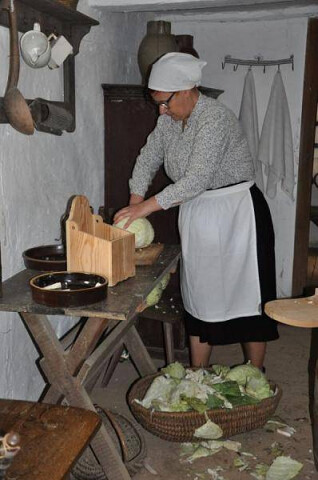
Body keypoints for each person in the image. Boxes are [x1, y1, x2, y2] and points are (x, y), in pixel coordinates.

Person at [113, 52, 279, 370]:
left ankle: (256, 372)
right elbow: (148, 157)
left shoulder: (214, 119)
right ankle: (197, 372)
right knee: (200, 296)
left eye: (166, 102)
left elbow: (196, 180)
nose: (162, 110)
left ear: (188, 90)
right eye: (158, 103)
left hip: (237, 213)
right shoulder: (168, 121)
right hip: (199, 214)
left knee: (248, 296)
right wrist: (135, 201)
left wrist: (145, 209)